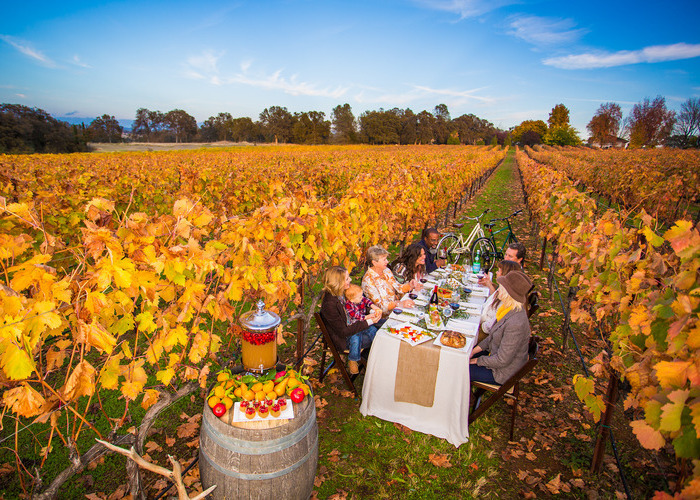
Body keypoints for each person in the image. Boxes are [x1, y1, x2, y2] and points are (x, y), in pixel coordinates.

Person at [469, 270, 533, 384]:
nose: (497, 290)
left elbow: (502, 360)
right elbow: (492, 337)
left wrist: (477, 360)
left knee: (461, 370)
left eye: (501, 288)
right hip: (493, 355)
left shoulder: (516, 323)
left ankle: (467, 398)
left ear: (509, 294)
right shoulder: (507, 309)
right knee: (462, 356)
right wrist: (473, 351)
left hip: (501, 372)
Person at [321, 266, 382, 374]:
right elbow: (343, 331)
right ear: (338, 282)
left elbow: (358, 303)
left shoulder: (342, 291)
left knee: (383, 325)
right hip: (346, 339)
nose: (350, 280)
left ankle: (375, 358)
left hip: (355, 324)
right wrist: (369, 321)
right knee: (377, 333)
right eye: (347, 278)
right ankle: (370, 361)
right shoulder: (329, 304)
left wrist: (372, 311)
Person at [362, 245, 418, 316]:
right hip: (385, 316)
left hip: (398, 307)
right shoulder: (368, 280)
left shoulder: (386, 270)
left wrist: (410, 286)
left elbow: (397, 286)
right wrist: (399, 304)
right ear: (374, 263)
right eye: (384, 260)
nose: (387, 261)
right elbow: (380, 306)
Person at [344, 285, 384, 373]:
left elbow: (367, 301)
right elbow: (356, 316)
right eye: (360, 297)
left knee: (373, 330)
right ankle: (353, 360)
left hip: (363, 324)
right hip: (354, 327)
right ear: (352, 299)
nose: (362, 298)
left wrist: (374, 307)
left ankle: (375, 351)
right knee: (356, 339)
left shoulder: (360, 299)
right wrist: (368, 317)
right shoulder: (348, 305)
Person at [480, 259, 523, 336]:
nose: (496, 272)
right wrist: (489, 284)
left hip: (486, 332)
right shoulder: (503, 291)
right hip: (484, 324)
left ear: (505, 275)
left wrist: (479, 319)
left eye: (499, 271)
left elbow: (491, 324)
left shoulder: (507, 299)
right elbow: (493, 301)